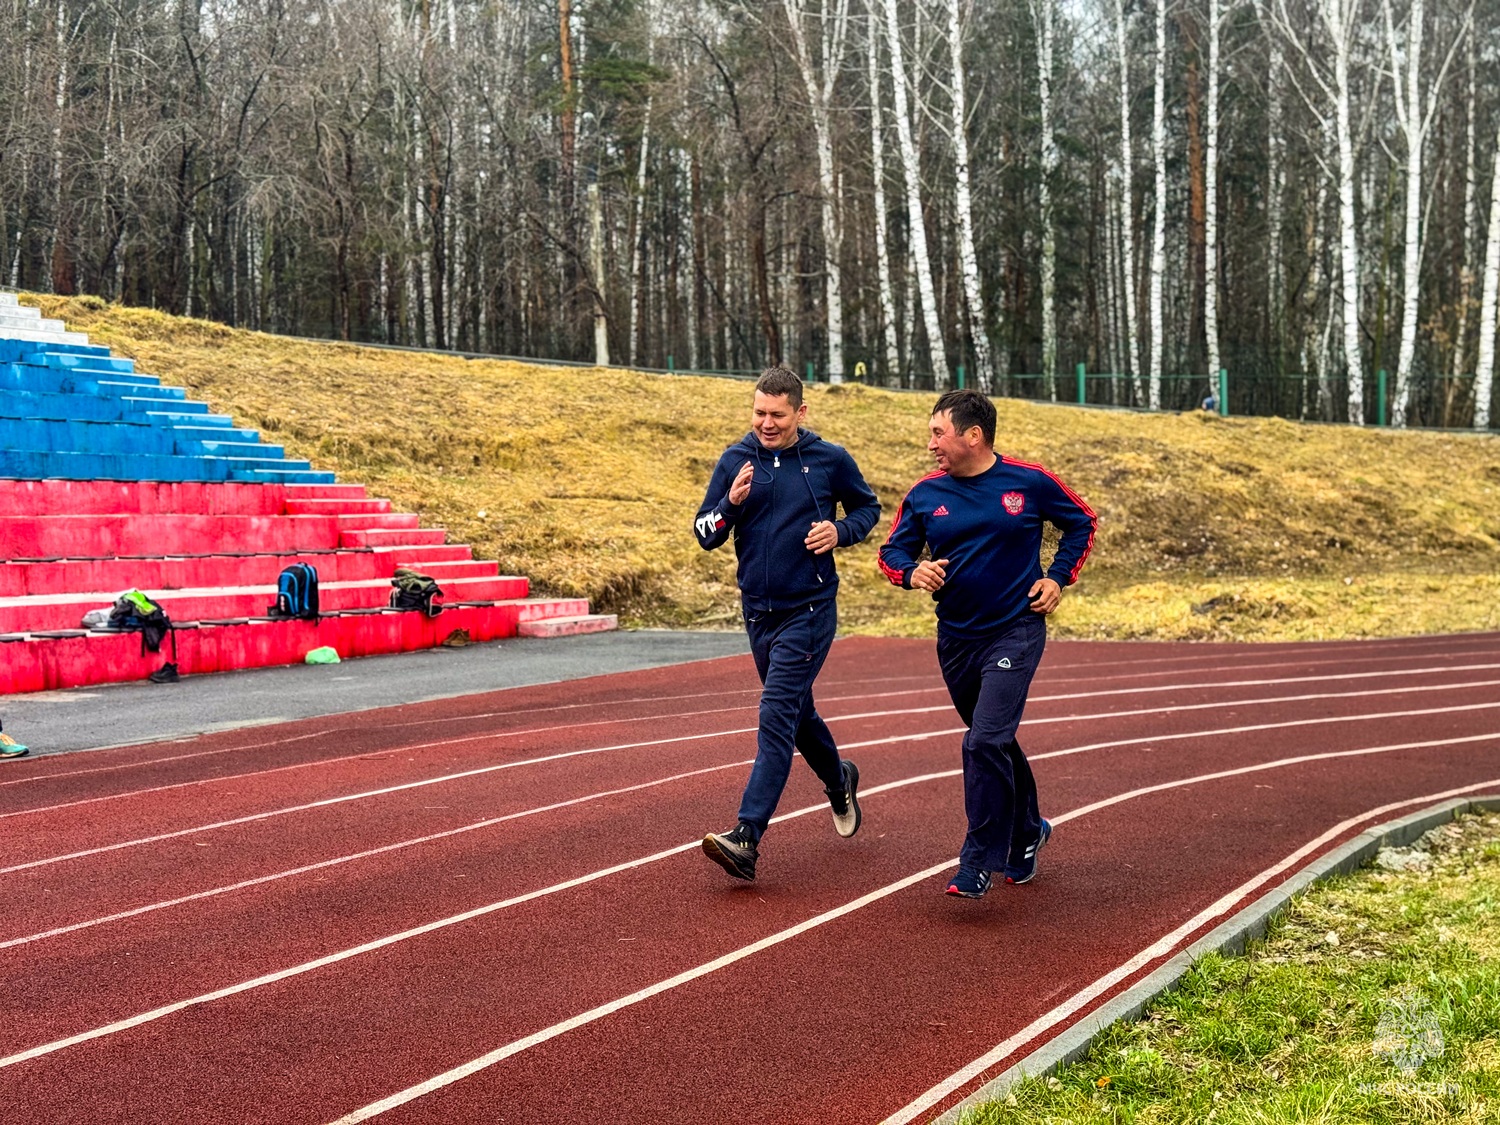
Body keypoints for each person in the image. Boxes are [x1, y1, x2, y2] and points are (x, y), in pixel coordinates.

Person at [878, 389, 1096, 898]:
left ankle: (977, 860)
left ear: (973, 435)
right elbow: (891, 553)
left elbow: (1082, 522)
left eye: (938, 433)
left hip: (1015, 629)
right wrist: (912, 572)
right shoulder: (925, 494)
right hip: (956, 640)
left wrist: (1057, 577)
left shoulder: (1029, 481)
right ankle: (1029, 830)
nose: (931, 443)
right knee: (993, 740)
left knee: (983, 742)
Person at [694, 364, 882, 880]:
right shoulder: (735, 459)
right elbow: (705, 533)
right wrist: (730, 504)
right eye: (759, 413)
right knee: (798, 715)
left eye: (777, 414)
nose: (767, 423)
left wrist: (840, 531)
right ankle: (839, 779)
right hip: (758, 612)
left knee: (776, 714)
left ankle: (746, 835)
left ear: (801, 412)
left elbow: (867, 509)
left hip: (810, 609)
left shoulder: (829, 459)